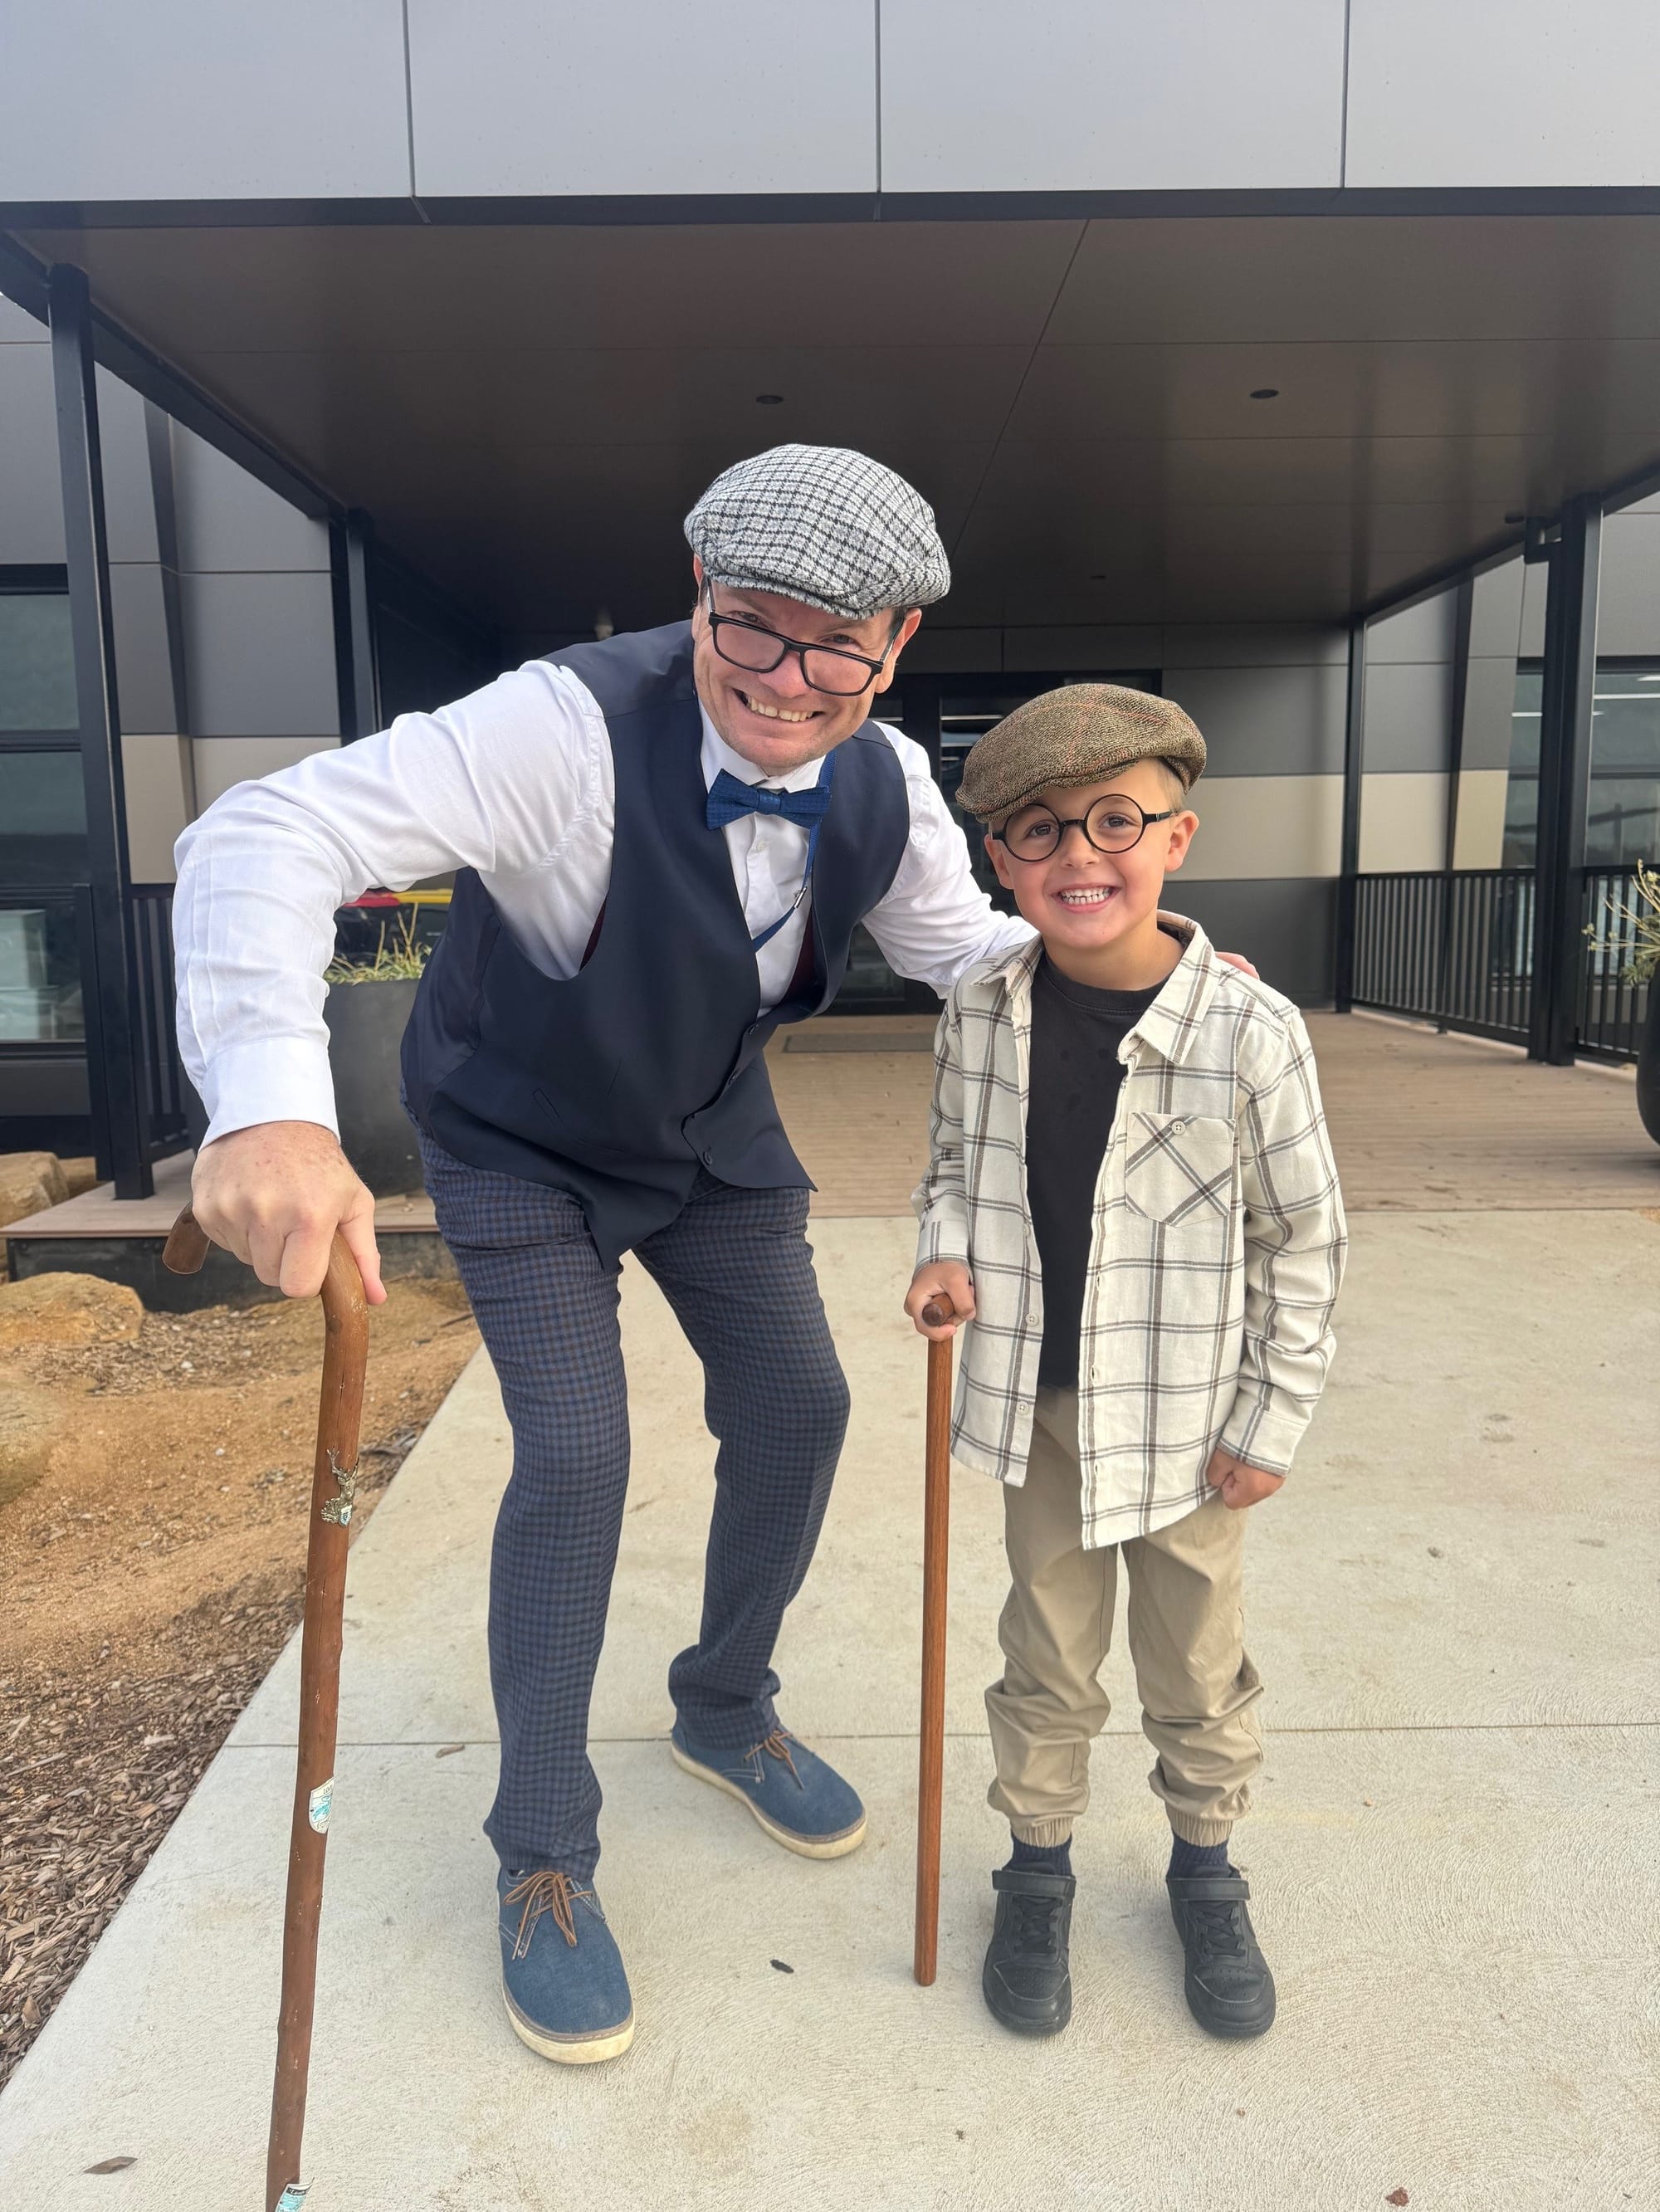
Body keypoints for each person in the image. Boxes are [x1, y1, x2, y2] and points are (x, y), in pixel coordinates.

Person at [173, 445, 1255, 2067]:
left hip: (706, 1129)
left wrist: (1135, 958)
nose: (787, 676)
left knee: (803, 1405)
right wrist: (265, 1105)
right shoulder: (558, 730)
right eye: (754, 624)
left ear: (893, 646)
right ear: (699, 595)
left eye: (840, 643)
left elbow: (969, 954)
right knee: (579, 1452)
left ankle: (720, 1696)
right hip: (516, 1132)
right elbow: (265, 835)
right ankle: (540, 1848)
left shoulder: (886, 783)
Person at [905, 684, 1346, 2043]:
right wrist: (939, 1253)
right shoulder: (979, 1010)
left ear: (1179, 836)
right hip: (1036, 1400)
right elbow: (954, 1164)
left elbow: (1305, 1239)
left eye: (1115, 821)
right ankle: (1037, 1867)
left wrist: (1270, 1418)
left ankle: (1205, 1868)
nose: (1078, 856)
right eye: (1039, 832)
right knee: (1044, 1646)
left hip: (1190, 1420)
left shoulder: (1249, 1032)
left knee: (1194, 1658)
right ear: (1000, 863)